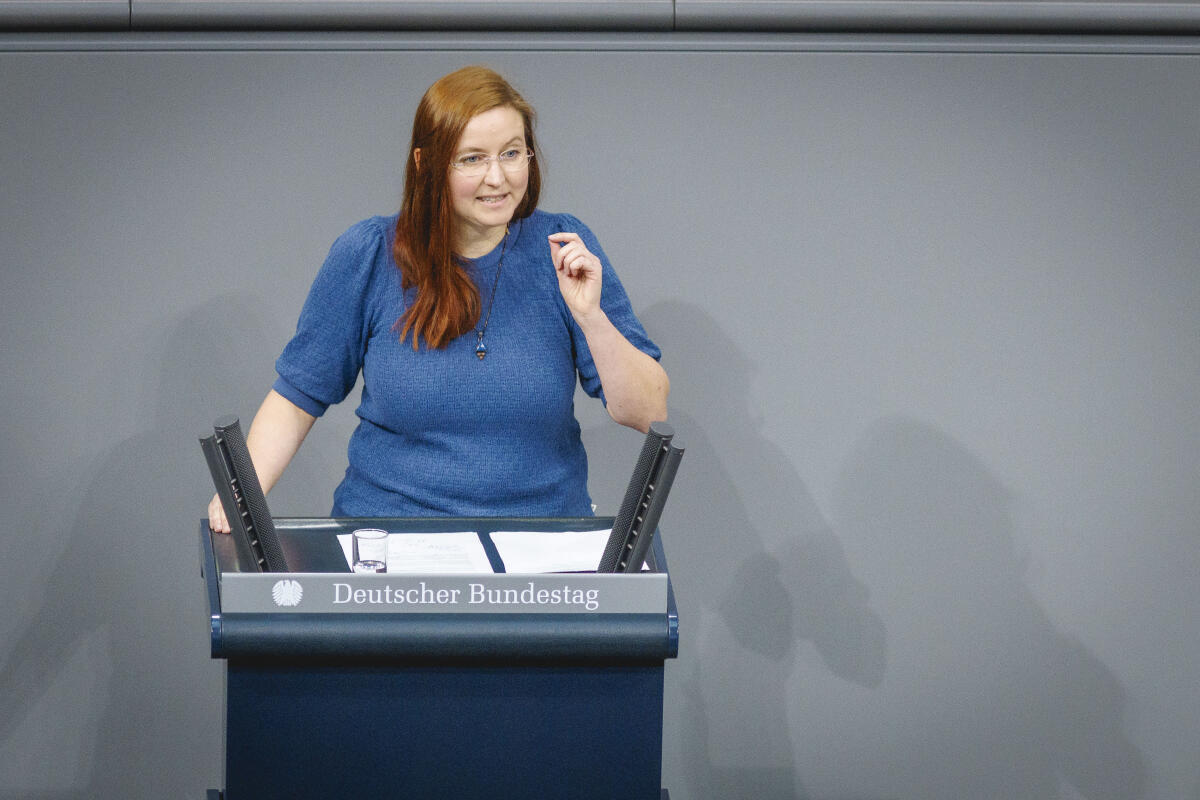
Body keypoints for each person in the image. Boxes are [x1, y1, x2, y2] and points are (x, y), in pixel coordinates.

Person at [209, 65, 668, 531]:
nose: (497, 177)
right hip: (392, 547)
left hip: (540, 553)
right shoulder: (369, 252)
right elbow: (298, 395)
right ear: (427, 164)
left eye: (512, 153)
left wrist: (591, 317)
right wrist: (239, 496)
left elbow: (648, 412)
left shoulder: (563, 246)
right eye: (472, 159)